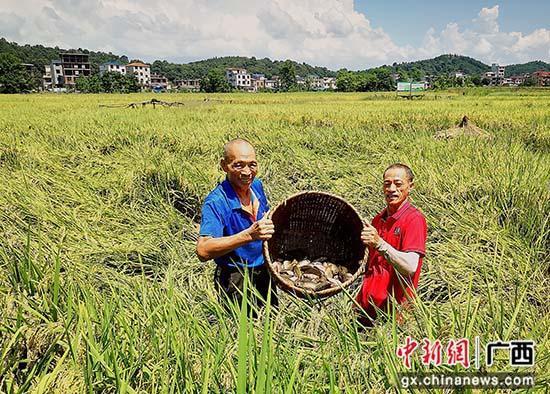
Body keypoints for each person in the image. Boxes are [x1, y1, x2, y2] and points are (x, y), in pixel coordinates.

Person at [196, 138, 278, 311]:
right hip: (236, 277)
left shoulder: (256, 186)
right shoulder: (216, 202)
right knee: (242, 332)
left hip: (265, 270)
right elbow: (203, 250)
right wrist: (249, 235)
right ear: (224, 166)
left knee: (270, 323)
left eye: (252, 164)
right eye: (239, 165)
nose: (247, 172)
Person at [356, 163, 427, 326]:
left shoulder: (413, 219)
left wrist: (379, 244)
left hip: (394, 315)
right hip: (366, 308)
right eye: (387, 184)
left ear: (410, 186)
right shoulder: (377, 220)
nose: (391, 189)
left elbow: (410, 266)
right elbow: (371, 265)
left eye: (398, 183)